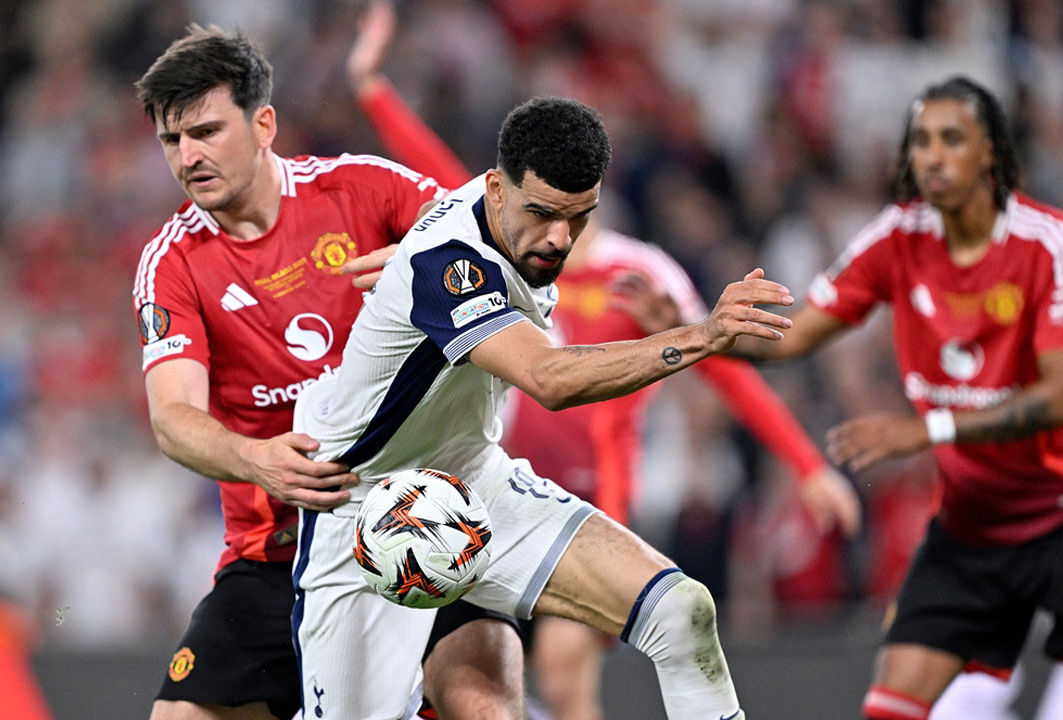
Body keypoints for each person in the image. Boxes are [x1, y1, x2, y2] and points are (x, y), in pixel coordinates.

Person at [343, 6, 860, 718]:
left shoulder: (640, 274)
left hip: (591, 498)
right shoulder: (494, 255)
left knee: (563, 674)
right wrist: (372, 89)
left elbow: (721, 366)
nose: (557, 233)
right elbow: (438, 172)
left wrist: (806, 465)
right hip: (480, 500)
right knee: (468, 688)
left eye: (574, 215)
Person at [132, 26, 524, 720]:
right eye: (172, 140)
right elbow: (173, 418)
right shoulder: (173, 264)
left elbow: (492, 242)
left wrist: (431, 264)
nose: (188, 156)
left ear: (264, 125)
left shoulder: (361, 189)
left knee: (483, 702)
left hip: (422, 515)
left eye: (206, 132)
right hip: (276, 553)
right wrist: (255, 459)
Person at [730, 76, 1063, 720]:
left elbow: (1056, 399)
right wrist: (693, 330)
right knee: (890, 708)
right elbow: (794, 335)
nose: (932, 156)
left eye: (951, 139)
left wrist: (928, 430)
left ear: (991, 153)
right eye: (921, 141)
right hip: (974, 527)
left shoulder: (1045, 245)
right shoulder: (898, 236)